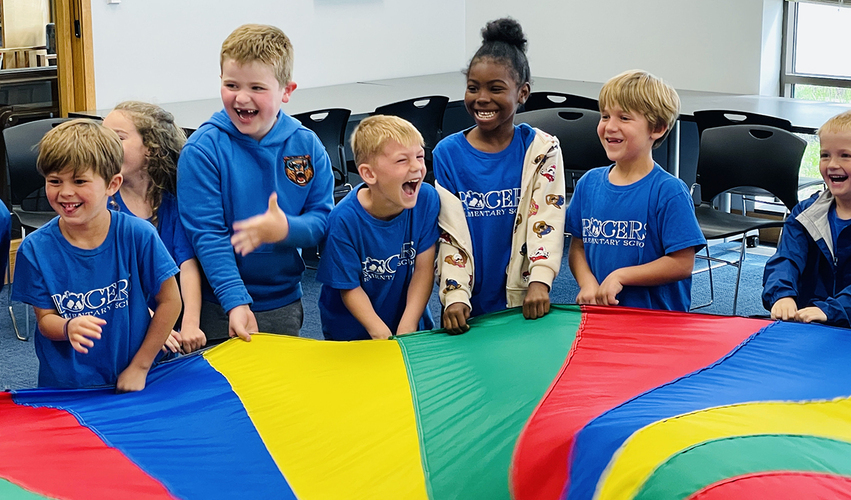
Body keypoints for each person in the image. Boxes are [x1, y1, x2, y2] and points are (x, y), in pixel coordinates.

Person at [177, 24, 333, 343]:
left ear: (286, 91)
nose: (241, 97)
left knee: (281, 386)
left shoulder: (307, 144)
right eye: (231, 84)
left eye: (257, 88)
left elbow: (322, 219)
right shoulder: (203, 150)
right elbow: (208, 235)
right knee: (223, 389)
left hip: (284, 299)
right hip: (219, 303)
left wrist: (285, 229)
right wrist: (235, 300)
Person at [12, 119, 181, 391]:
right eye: (54, 181)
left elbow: (171, 302)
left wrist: (140, 365)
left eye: (79, 181)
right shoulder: (34, 250)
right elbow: (45, 320)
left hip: (138, 376)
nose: (65, 192)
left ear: (112, 184)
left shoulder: (139, 235)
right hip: (70, 386)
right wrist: (68, 327)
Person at [433, 18, 565, 333]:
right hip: (468, 305)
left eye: (496, 89)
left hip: (523, 301)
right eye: (473, 87)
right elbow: (449, 233)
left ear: (522, 93)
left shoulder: (542, 150)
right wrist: (454, 294)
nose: (482, 98)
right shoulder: (447, 154)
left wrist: (540, 281)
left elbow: (546, 219)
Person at [565, 70, 704, 310]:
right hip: (602, 317)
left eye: (624, 118)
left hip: (656, 325)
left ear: (658, 128)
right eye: (605, 116)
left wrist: (622, 276)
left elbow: (682, 263)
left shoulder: (669, 192)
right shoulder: (588, 184)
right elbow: (577, 247)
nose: (610, 126)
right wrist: (586, 282)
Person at [762, 110, 851, 332]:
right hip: (803, 323)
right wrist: (782, 295)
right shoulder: (805, 213)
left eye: (845, 155)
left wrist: (830, 311)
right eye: (825, 155)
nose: (831, 164)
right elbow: (785, 260)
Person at [316, 116, 439, 341]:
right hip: (354, 333)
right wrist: (379, 332)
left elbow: (423, 269)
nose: (417, 167)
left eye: (420, 156)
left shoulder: (427, 199)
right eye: (402, 160)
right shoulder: (342, 221)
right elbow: (349, 287)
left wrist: (409, 324)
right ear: (369, 174)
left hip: (406, 321)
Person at [103, 101, 205, 353]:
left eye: (118, 138)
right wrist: (153, 320)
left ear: (151, 148)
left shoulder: (172, 198)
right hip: (118, 318)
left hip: (166, 311)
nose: (106, 147)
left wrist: (191, 323)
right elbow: (110, 278)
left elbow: (187, 262)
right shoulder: (103, 204)